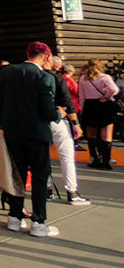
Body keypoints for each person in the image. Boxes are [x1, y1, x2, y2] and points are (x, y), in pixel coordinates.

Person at [0, 42, 61, 237]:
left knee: (17, 174)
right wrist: (59, 114)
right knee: (40, 177)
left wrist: (0, 125)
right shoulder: (45, 77)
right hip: (37, 133)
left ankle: (14, 218)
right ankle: (38, 222)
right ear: (47, 57)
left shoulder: (7, 72)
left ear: (27, 53)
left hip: (12, 131)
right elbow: (48, 111)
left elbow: (1, 102)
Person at [43, 58, 89, 204]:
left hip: (38, 121)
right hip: (57, 119)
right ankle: (71, 191)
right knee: (67, 156)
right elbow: (67, 101)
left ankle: (47, 189)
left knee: (43, 157)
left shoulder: (29, 78)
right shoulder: (58, 79)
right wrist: (75, 123)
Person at [78, 58, 118, 170]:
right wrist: (106, 96)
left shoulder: (83, 78)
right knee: (106, 135)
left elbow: (81, 96)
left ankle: (95, 159)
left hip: (89, 106)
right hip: (104, 105)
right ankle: (105, 161)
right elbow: (115, 89)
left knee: (91, 135)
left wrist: (82, 110)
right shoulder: (105, 77)